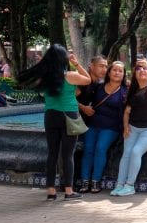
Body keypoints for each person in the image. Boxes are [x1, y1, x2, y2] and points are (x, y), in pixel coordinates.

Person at [17, 44, 92, 201]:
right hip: (68, 116)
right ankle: (69, 191)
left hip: (50, 115)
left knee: (52, 153)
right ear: (64, 59)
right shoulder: (70, 76)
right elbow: (88, 80)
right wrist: (76, 63)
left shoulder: (44, 78)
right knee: (67, 155)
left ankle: (51, 191)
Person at [112, 57, 147, 196]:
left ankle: (130, 186)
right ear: (134, 74)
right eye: (138, 69)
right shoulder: (132, 91)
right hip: (133, 127)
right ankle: (119, 184)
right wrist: (125, 126)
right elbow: (127, 112)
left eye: (144, 69)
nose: (142, 71)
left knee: (136, 151)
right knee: (126, 153)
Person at [77, 61, 128, 194]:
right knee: (88, 149)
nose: (117, 73)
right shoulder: (98, 87)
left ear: (124, 75)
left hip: (111, 127)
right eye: (114, 70)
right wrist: (84, 108)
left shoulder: (125, 91)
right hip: (93, 124)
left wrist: (126, 129)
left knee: (100, 148)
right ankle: (85, 180)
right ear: (109, 72)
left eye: (120, 71)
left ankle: (96, 181)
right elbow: (80, 95)